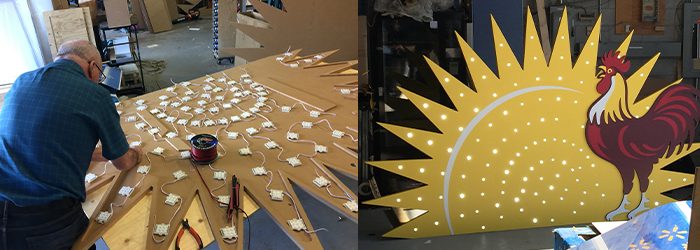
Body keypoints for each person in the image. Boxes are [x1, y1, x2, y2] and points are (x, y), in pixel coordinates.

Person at [0, 40, 141, 249]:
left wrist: (89, 153)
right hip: (44, 218)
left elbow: (34, 135)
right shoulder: (96, 95)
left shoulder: (23, 80)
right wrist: (135, 153)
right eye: (100, 74)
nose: (98, 81)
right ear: (93, 66)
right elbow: (122, 162)